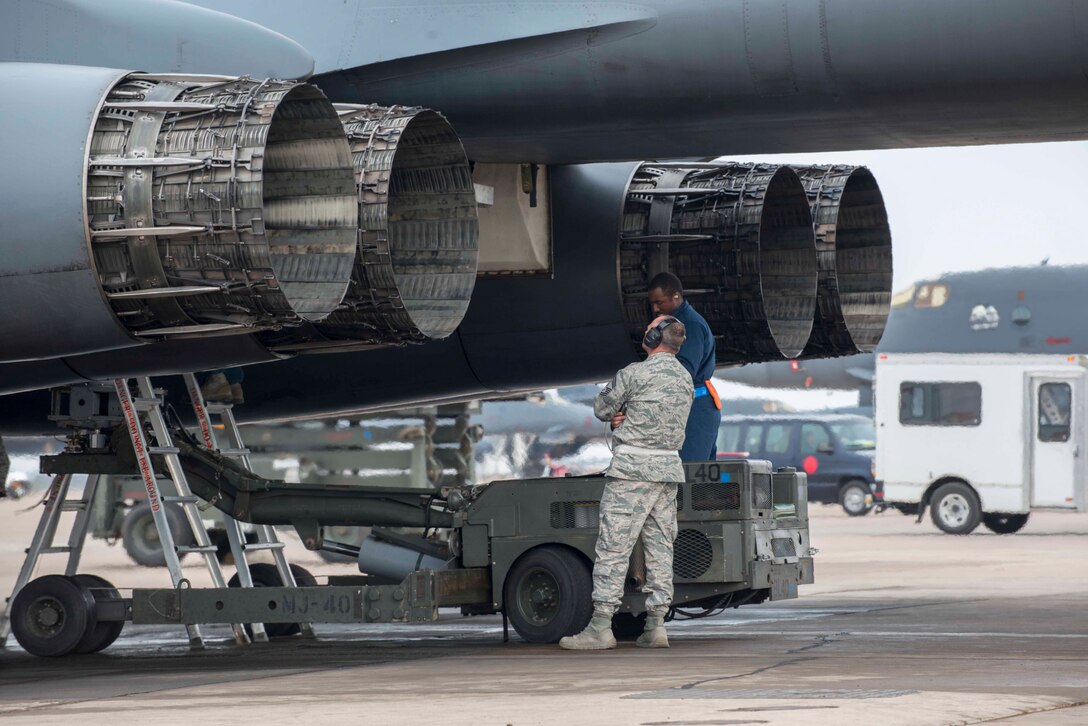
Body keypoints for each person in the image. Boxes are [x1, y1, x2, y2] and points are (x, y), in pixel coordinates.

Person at [559, 315, 693, 650]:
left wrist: (622, 416)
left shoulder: (633, 373)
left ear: (653, 337)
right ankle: (656, 625)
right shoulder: (685, 379)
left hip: (632, 470)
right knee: (660, 547)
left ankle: (601, 626)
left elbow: (603, 408)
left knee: (614, 547)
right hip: (667, 470)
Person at [647, 272, 721, 461]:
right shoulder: (674, 322)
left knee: (690, 474)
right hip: (690, 406)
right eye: (652, 303)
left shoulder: (690, 325)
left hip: (694, 408)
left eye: (660, 302)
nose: (655, 308)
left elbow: (684, 372)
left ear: (676, 297)